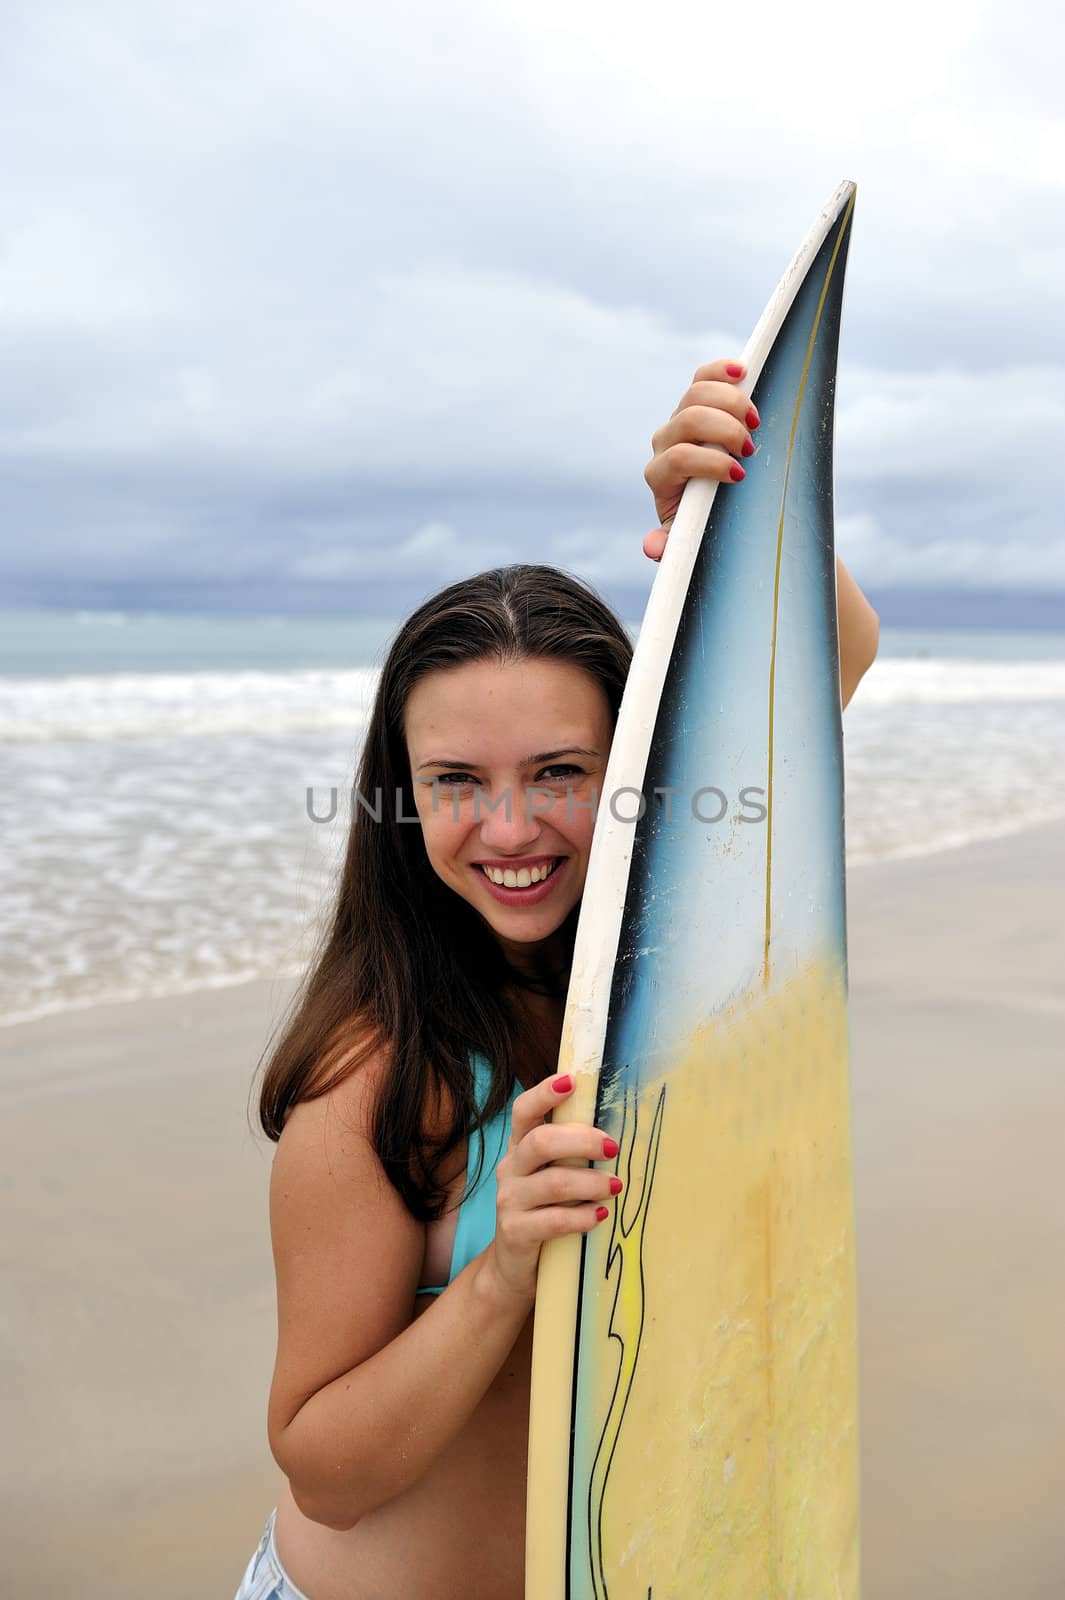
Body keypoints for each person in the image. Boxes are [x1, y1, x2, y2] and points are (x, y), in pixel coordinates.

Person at [234, 360, 880, 1600]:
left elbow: (821, 667)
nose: (511, 826)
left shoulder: (658, 960)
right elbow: (326, 1468)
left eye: (561, 771)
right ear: (403, 798)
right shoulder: (378, 1076)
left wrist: (727, 509)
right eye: (456, 782)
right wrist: (505, 1267)